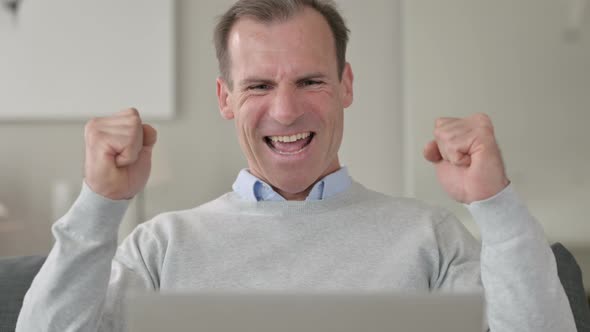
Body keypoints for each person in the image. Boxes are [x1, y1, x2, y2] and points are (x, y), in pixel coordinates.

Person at [17, 0, 575, 331]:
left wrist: (494, 201)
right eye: (259, 85)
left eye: (310, 80)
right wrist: (98, 204)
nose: (285, 110)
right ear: (226, 98)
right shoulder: (160, 245)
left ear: (346, 85)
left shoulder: (430, 238)